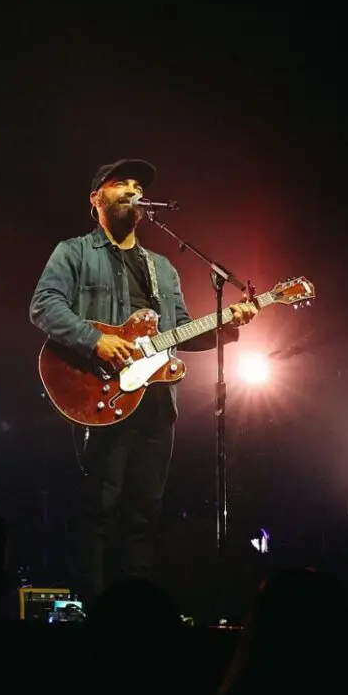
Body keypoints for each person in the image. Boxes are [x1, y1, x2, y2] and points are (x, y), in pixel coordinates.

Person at [30, 157, 258, 607]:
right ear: (96, 198)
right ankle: (95, 609)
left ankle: (134, 612)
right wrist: (95, 340)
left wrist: (230, 323)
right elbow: (44, 306)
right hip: (102, 392)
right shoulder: (73, 252)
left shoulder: (163, 268)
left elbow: (182, 331)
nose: (133, 189)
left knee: (144, 513)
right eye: (121, 183)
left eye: (138, 184)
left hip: (156, 402)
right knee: (98, 507)